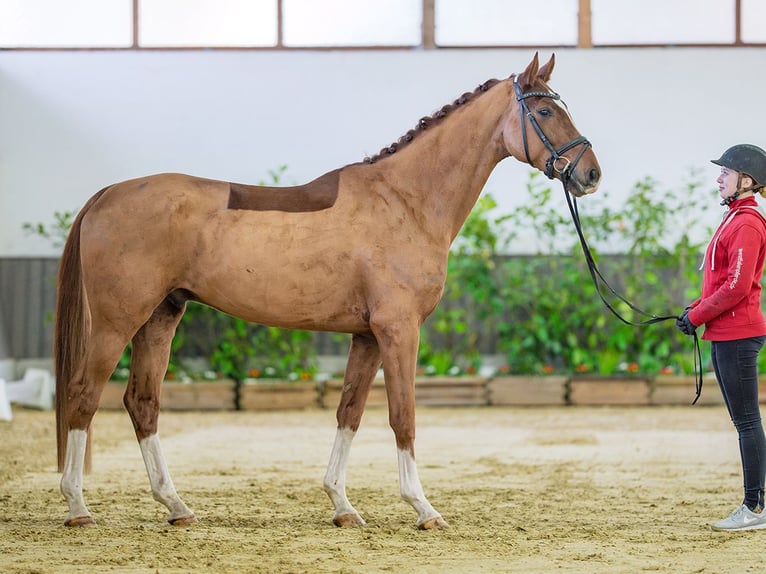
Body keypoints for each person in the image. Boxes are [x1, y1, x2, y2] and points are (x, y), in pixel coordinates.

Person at [677, 143, 766, 531]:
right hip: (726, 333)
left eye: (725, 174)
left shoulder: (746, 223)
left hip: (738, 334)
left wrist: (697, 315)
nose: (718, 179)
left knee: (747, 422)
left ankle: (755, 508)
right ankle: (756, 505)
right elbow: (720, 280)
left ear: (746, 181)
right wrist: (694, 309)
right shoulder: (735, 218)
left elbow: (737, 286)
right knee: (744, 422)